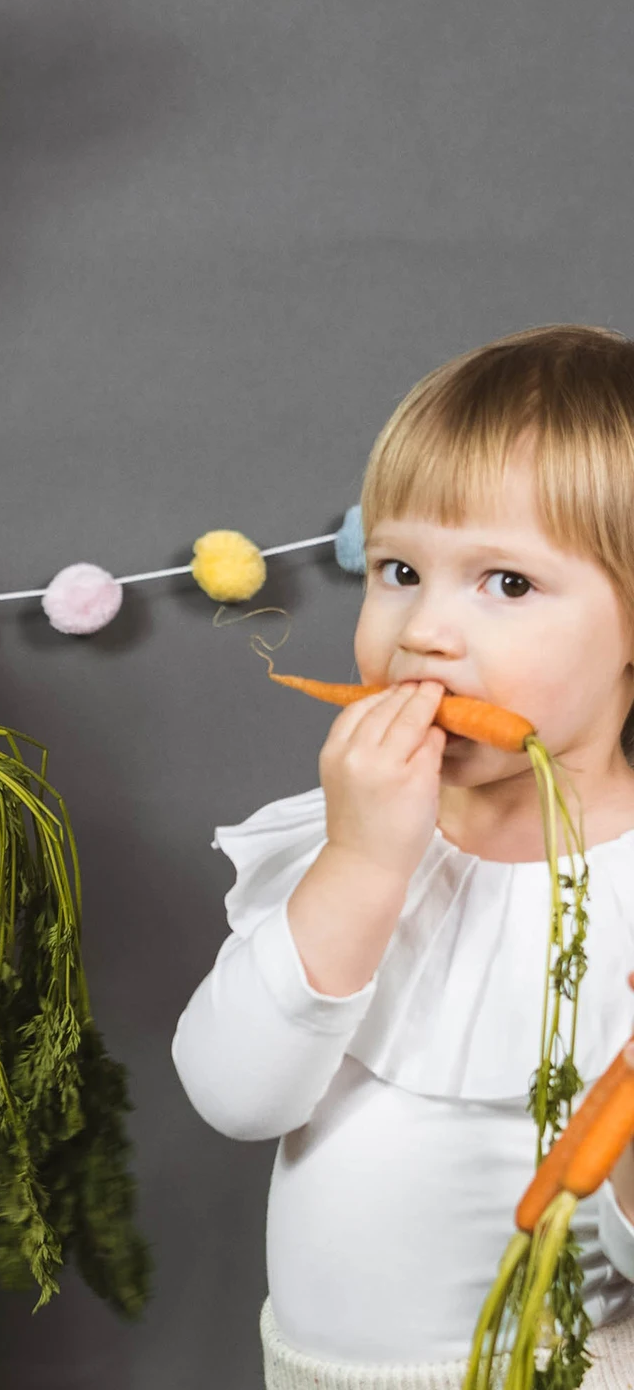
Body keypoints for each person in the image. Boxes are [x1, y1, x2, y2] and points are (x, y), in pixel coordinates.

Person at [174, 326, 634, 1388]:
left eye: (506, 584)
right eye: (398, 568)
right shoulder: (349, 829)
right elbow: (234, 1094)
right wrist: (362, 864)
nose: (423, 630)